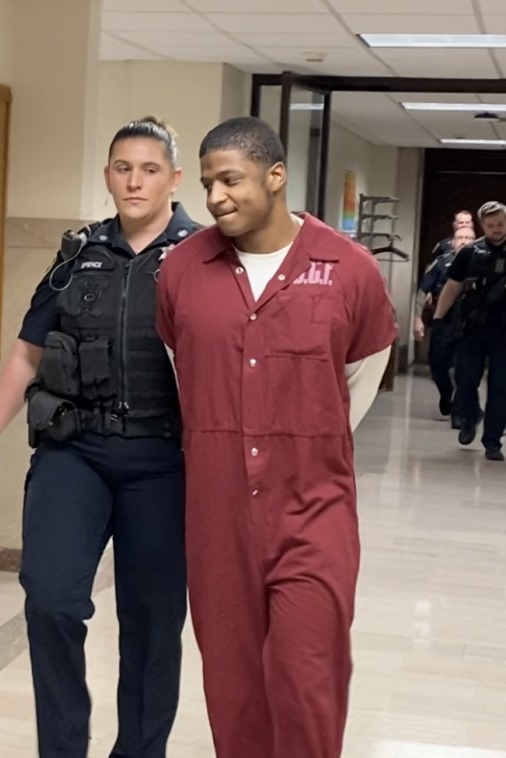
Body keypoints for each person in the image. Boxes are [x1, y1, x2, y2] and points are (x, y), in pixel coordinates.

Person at [156, 116, 397, 758]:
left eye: (230, 180)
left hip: (313, 511)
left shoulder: (348, 269)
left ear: (275, 176)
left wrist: (301, 440)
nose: (215, 197)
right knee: (232, 684)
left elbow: (362, 374)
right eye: (207, 183)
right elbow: (187, 370)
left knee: (307, 674)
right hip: (217, 516)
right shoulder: (183, 269)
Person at [0, 117, 200, 758]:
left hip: (165, 462)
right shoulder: (79, 254)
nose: (135, 180)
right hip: (77, 452)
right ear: (107, 175)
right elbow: (26, 353)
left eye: (150, 169)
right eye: (123, 167)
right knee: (51, 600)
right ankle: (63, 748)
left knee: (152, 625)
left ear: (175, 179)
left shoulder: (206, 258)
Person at [434, 200, 506, 462]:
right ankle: (470, 416)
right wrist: (439, 316)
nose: (496, 229)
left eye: (500, 224)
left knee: (501, 387)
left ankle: (492, 441)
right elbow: (452, 286)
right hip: (473, 327)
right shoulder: (470, 253)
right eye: (491, 225)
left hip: (504, 331)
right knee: (464, 379)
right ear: (482, 226)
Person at [414, 224, 476, 425]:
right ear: (452, 242)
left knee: (463, 369)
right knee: (438, 367)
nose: (465, 241)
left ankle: (458, 412)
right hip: (444, 321)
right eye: (461, 238)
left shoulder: (481, 262)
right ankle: (446, 393)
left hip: (470, 324)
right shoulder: (441, 263)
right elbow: (423, 291)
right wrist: (417, 319)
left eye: (469, 237)